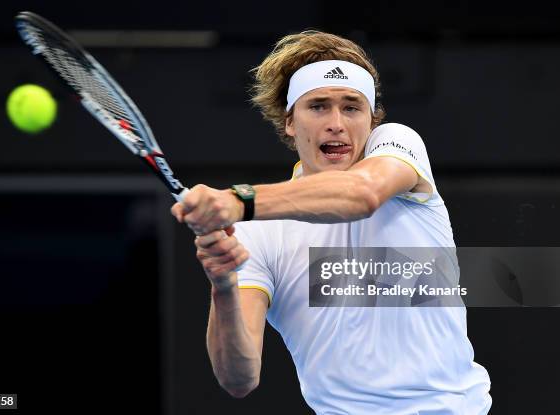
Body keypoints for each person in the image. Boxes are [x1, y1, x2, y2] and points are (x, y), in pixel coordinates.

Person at [171, 30, 492, 414]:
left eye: (352, 107)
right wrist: (223, 285)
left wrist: (239, 200)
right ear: (290, 121)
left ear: (371, 121)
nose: (336, 123)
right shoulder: (255, 233)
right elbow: (239, 378)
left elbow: (363, 194)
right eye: (319, 106)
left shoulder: (398, 146)